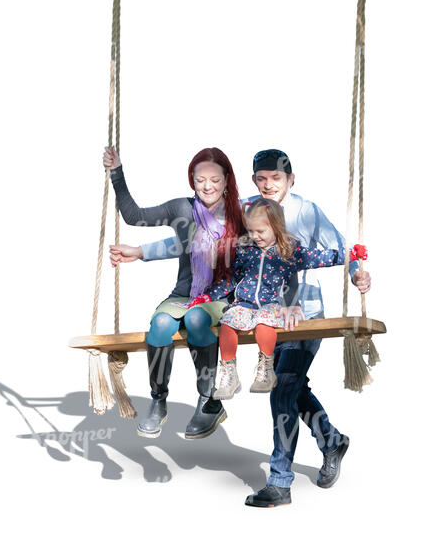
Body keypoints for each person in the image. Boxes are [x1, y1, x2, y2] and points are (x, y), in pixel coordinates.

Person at [130, 148, 371, 507]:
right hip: (260, 312)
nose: (268, 184)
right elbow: (200, 240)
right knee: (291, 385)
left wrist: (358, 273)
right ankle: (331, 439)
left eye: (277, 177)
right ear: (253, 179)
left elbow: (339, 248)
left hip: (305, 317)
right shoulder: (246, 212)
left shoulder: (307, 211)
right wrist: (141, 251)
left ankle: (280, 481)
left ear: (291, 179)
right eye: (261, 178)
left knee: (282, 388)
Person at [103, 145, 246, 440]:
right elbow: (134, 215)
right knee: (161, 324)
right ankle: (158, 400)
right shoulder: (182, 208)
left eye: (215, 180)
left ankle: (208, 400)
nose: (207, 186)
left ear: (227, 181)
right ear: (191, 180)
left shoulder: (240, 214)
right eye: (200, 179)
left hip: (221, 295)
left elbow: (272, 234)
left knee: (196, 319)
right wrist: (116, 173)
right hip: (185, 293)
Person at [199, 199, 362, 399]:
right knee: (227, 324)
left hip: (271, 303)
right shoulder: (246, 250)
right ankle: (229, 373)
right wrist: (209, 294)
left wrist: (350, 255)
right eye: (250, 231)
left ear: (275, 227)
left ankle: (266, 369)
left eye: (260, 231)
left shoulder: (289, 251)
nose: (254, 236)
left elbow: (319, 257)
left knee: (264, 324)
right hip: (244, 303)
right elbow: (232, 279)